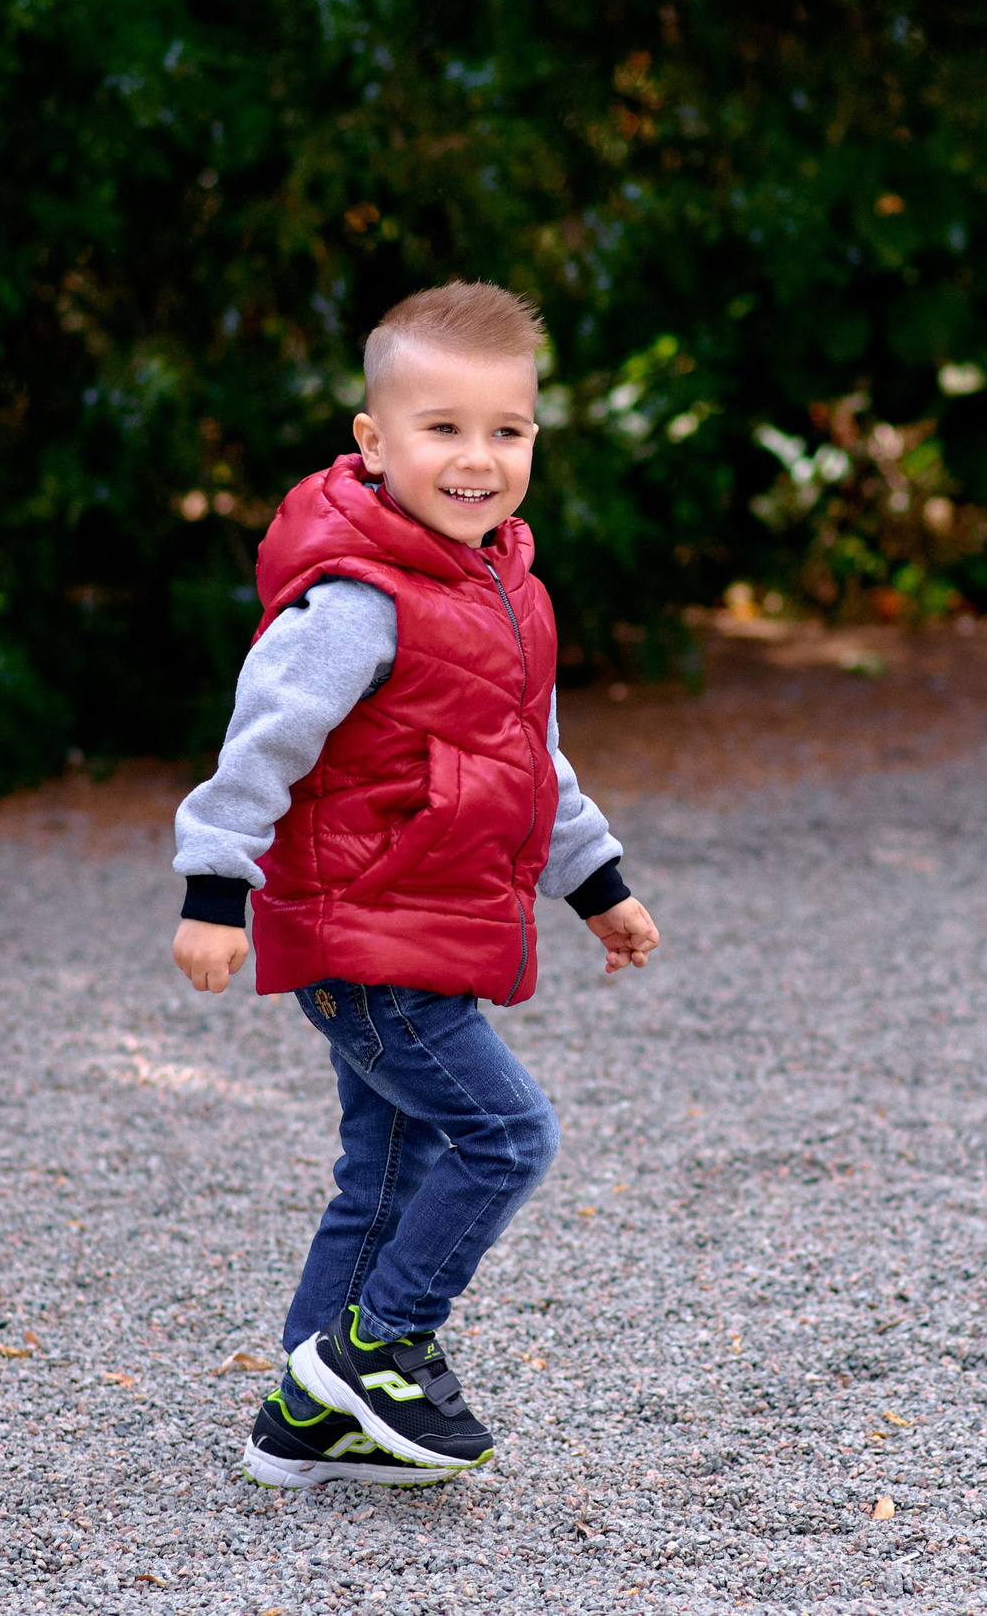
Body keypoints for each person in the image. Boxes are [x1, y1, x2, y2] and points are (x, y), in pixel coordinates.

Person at [169, 282, 661, 1488]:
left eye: (507, 430)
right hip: (356, 931)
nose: (477, 458)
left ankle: (304, 1412)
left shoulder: (508, 592)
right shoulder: (356, 598)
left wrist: (595, 881)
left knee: (382, 1170)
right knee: (505, 1134)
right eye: (441, 428)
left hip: (425, 926)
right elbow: (261, 741)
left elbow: (528, 763)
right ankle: (381, 1348)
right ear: (374, 441)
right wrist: (213, 888)